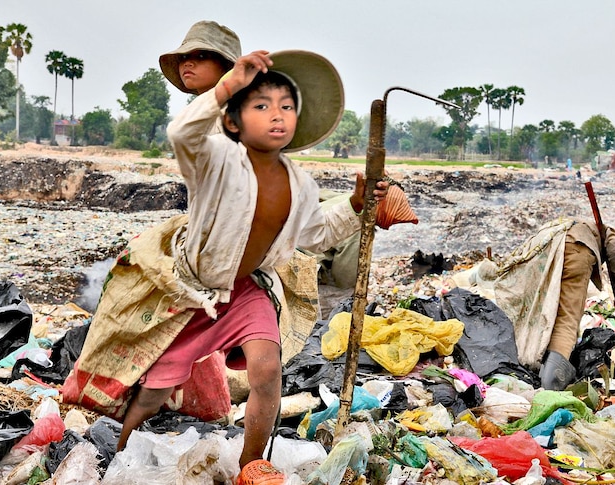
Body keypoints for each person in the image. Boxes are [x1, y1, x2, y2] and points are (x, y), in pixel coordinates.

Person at [65, 49, 388, 481]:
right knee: (153, 394)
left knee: (267, 368)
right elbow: (182, 132)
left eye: (286, 108)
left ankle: (250, 465)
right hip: (188, 293)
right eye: (261, 106)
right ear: (235, 122)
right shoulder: (215, 163)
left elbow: (315, 234)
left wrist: (355, 205)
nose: (276, 115)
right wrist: (229, 84)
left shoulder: (298, 184)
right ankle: (121, 453)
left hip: (247, 290)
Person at [494, 218, 615, 390]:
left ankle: (537, 367)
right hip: (576, 250)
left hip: (548, 251)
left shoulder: (572, 225)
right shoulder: (606, 231)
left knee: (545, 313)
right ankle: (550, 386)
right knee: (566, 320)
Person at [159, 20, 241, 95]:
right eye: (183, 57)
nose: (187, 63)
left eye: (201, 56)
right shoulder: (198, 109)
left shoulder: (238, 108)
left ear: (225, 66)